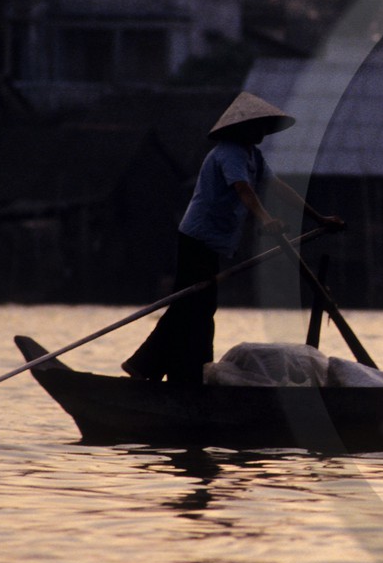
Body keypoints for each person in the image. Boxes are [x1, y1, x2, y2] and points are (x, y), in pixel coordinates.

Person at [123, 92, 342, 384]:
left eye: (265, 126)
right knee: (191, 307)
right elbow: (242, 189)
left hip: (212, 241)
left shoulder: (253, 155)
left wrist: (319, 218)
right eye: (257, 126)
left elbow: (277, 187)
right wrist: (266, 220)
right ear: (242, 128)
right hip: (196, 237)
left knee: (199, 309)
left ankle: (184, 373)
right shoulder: (229, 153)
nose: (262, 132)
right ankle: (154, 367)